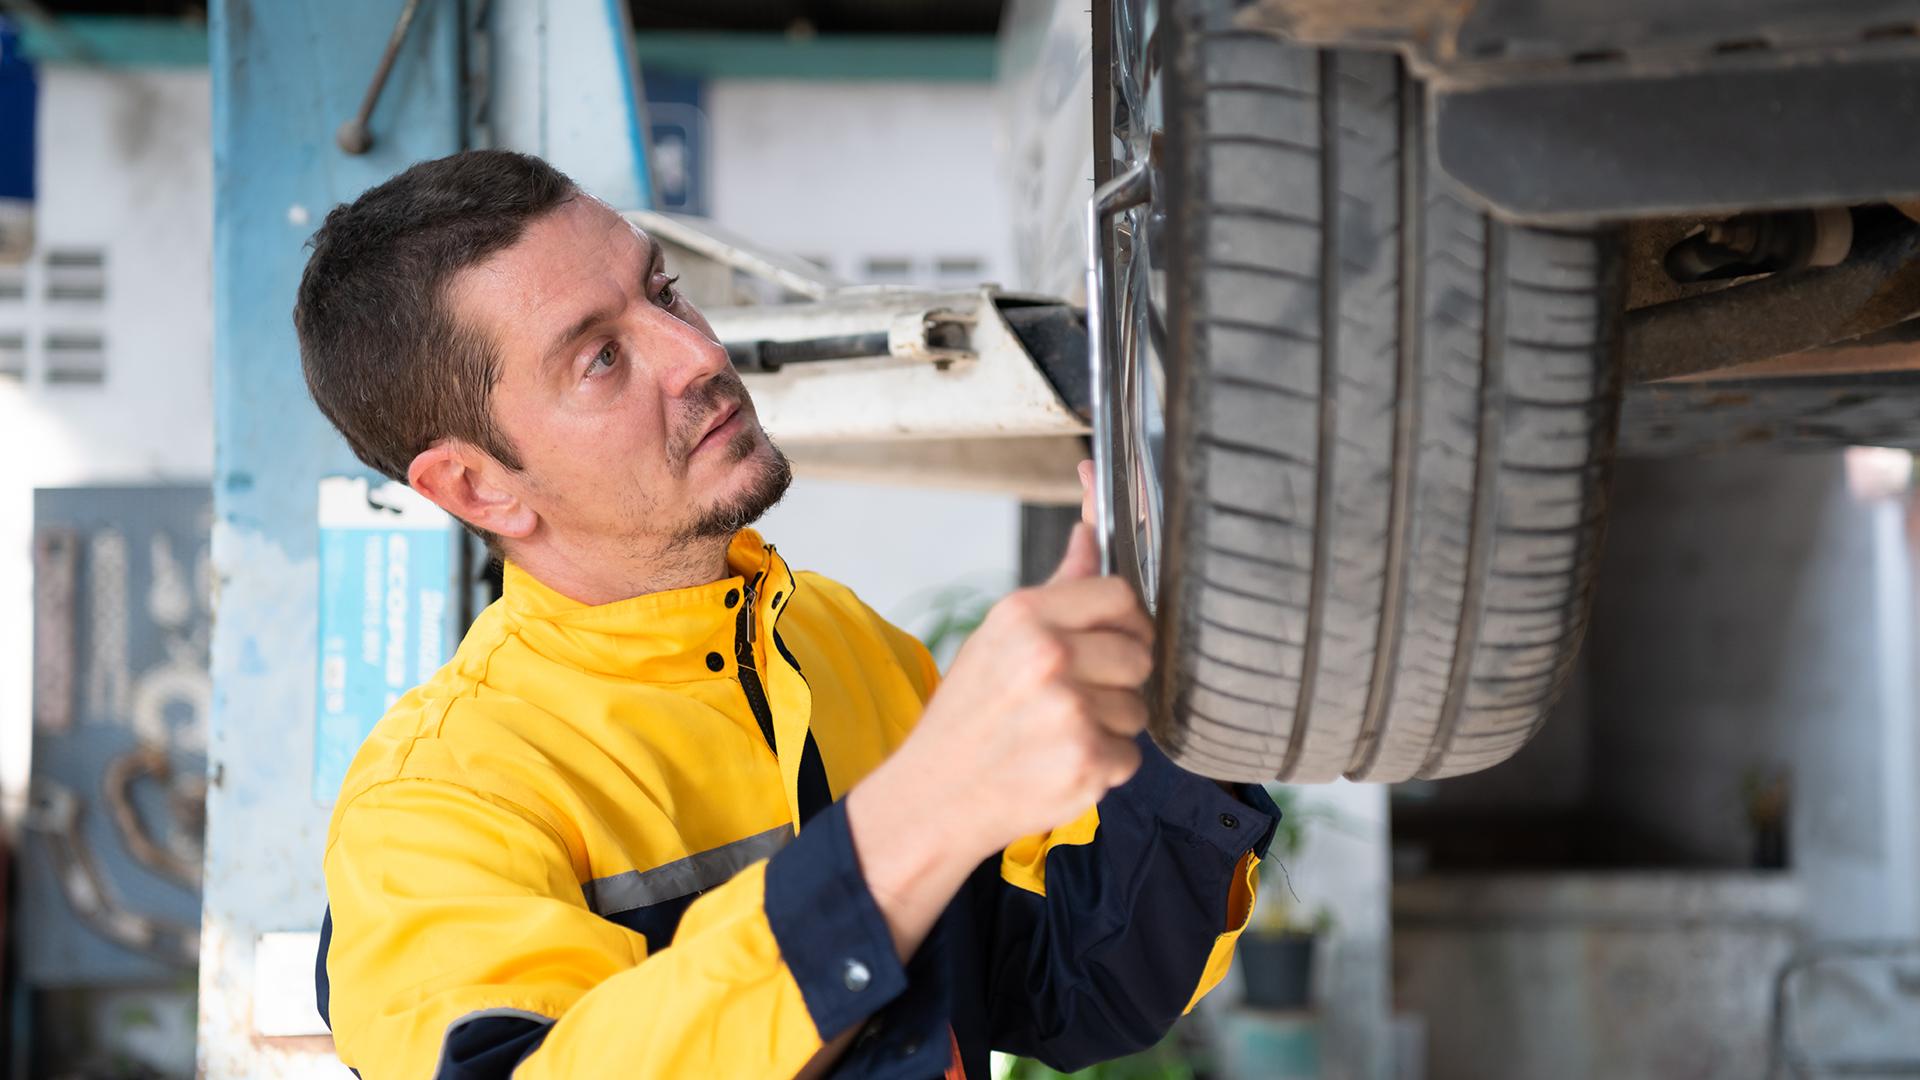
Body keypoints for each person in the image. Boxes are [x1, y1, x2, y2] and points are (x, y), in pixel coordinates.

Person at [297, 149, 1278, 1080]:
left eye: (665, 291)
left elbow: (1076, 982)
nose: (692, 353)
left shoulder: (837, 644)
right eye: (601, 358)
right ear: (475, 487)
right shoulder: (438, 805)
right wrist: (915, 819)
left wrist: (1195, 652)